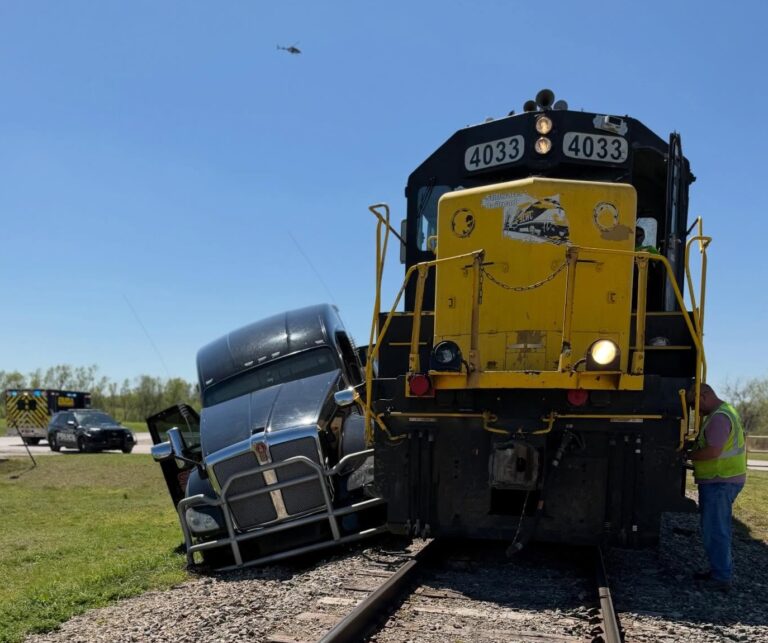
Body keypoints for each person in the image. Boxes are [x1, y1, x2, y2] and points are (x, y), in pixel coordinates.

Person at [686, 383, 747, 591]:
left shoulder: (719, 418)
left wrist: (687, 455)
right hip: (722, 479)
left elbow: (713, 452)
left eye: (694, 404)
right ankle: (718, 571)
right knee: (714, 528)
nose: (695, 410)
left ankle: (721, 576)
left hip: (721, 480)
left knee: (716, 530)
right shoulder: (723, 412)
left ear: (703, 396)